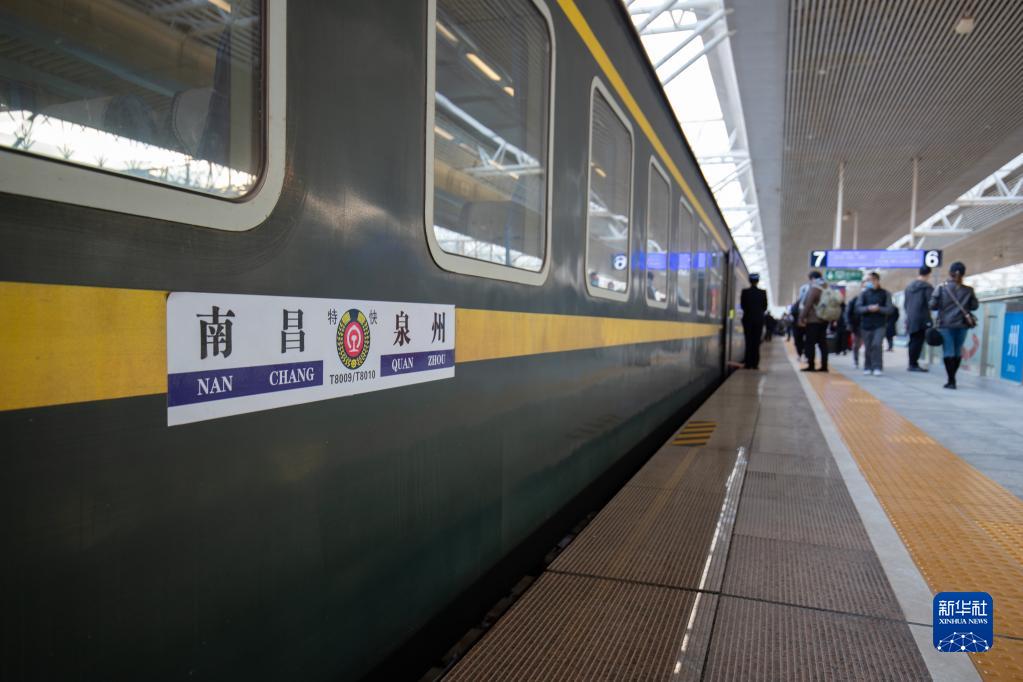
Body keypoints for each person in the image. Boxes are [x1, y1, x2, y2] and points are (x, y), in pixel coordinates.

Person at [930, 261, 979, 389]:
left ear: (950, 273)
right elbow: (974, 306)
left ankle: (951, 380)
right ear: (963, 274)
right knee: (957, 351)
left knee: (948, 351)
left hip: (946, 324)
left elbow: (932, 305)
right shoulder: (968, 290)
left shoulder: (941, 288)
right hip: (962, 325)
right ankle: (953, 379)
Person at [853, 272, 894, 375]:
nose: (870, 282)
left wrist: (879, 308)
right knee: (868, 346)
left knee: (877, 344)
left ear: (877, 280)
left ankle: (877, 366)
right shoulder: (863, 294)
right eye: (868, 280)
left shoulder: (885, 294)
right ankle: (867, 366)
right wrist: (868, 308)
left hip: (880, 324)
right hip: (866, 325)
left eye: (871, 280)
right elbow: (858, 308)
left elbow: (890, 309)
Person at [903, 266, 935, 371]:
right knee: (918, 341)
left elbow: (905, 304)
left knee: (913, 340)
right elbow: (931, 303)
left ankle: (911, 363)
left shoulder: (909, 287)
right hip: (922, 318)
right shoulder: (927, 287)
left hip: (911, 317)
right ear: (929, 274)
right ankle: (913, 364)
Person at [798, 271, 831, 372]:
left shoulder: (815, 288)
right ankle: (824, 366)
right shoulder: (827, 287)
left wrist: (801, 317)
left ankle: (811, 365)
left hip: (813, 320)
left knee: (810, 343)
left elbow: (808, 304)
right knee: (822, 343)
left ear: (812, 278)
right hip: (824, 319)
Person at [740, 273, 768, 369]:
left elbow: (743, 306)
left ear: (749, 281)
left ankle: (748, 363)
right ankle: (755, 364)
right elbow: (765, 307)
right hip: (758, 320)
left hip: (747, 319)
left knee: (748, 341)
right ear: (758, 281)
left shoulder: (745, 292)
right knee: (756, 342)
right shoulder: (763, 292)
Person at [846, 290, 863, 368]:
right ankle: (856, 361)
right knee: (856, 345)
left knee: (870, 345)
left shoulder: (871, 300)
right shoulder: (854, 301)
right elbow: (848, 313)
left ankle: (870, 363)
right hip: (856, 326)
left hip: (868, 325)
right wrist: (849, 324)